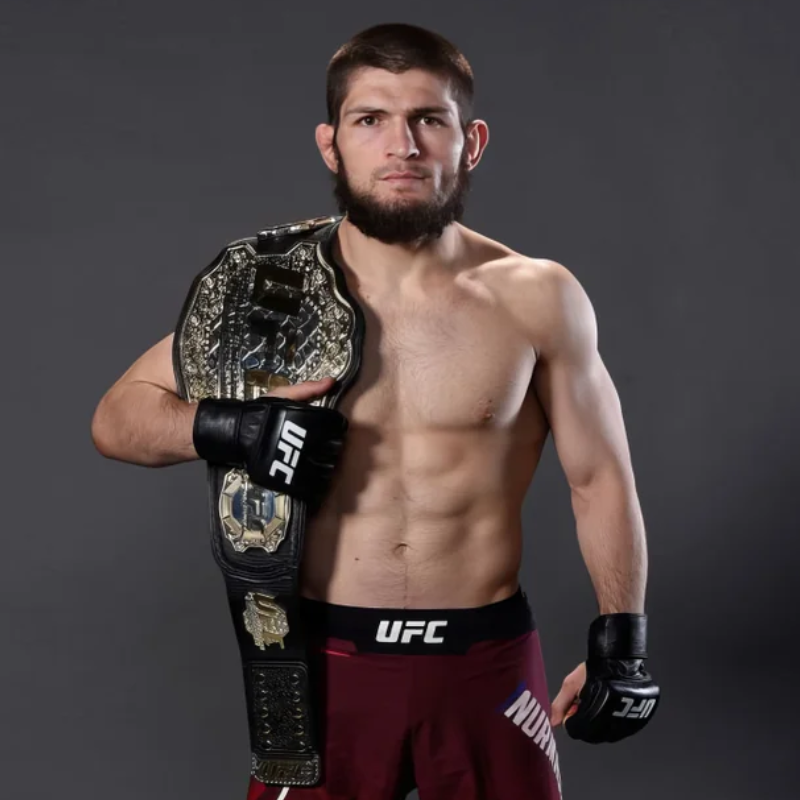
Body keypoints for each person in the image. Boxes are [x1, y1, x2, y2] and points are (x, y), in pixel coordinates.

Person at [91, 22, 658, 800]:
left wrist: (621, 641)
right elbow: (117, 419)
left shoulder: (538, 297)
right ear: (331, 145)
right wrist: (233, 428)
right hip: (323, 663)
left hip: (486, 662)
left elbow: (601, 480)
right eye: (370, 120)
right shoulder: (273, 297)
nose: (403, 146)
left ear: (471, 142)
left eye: (428, 119)